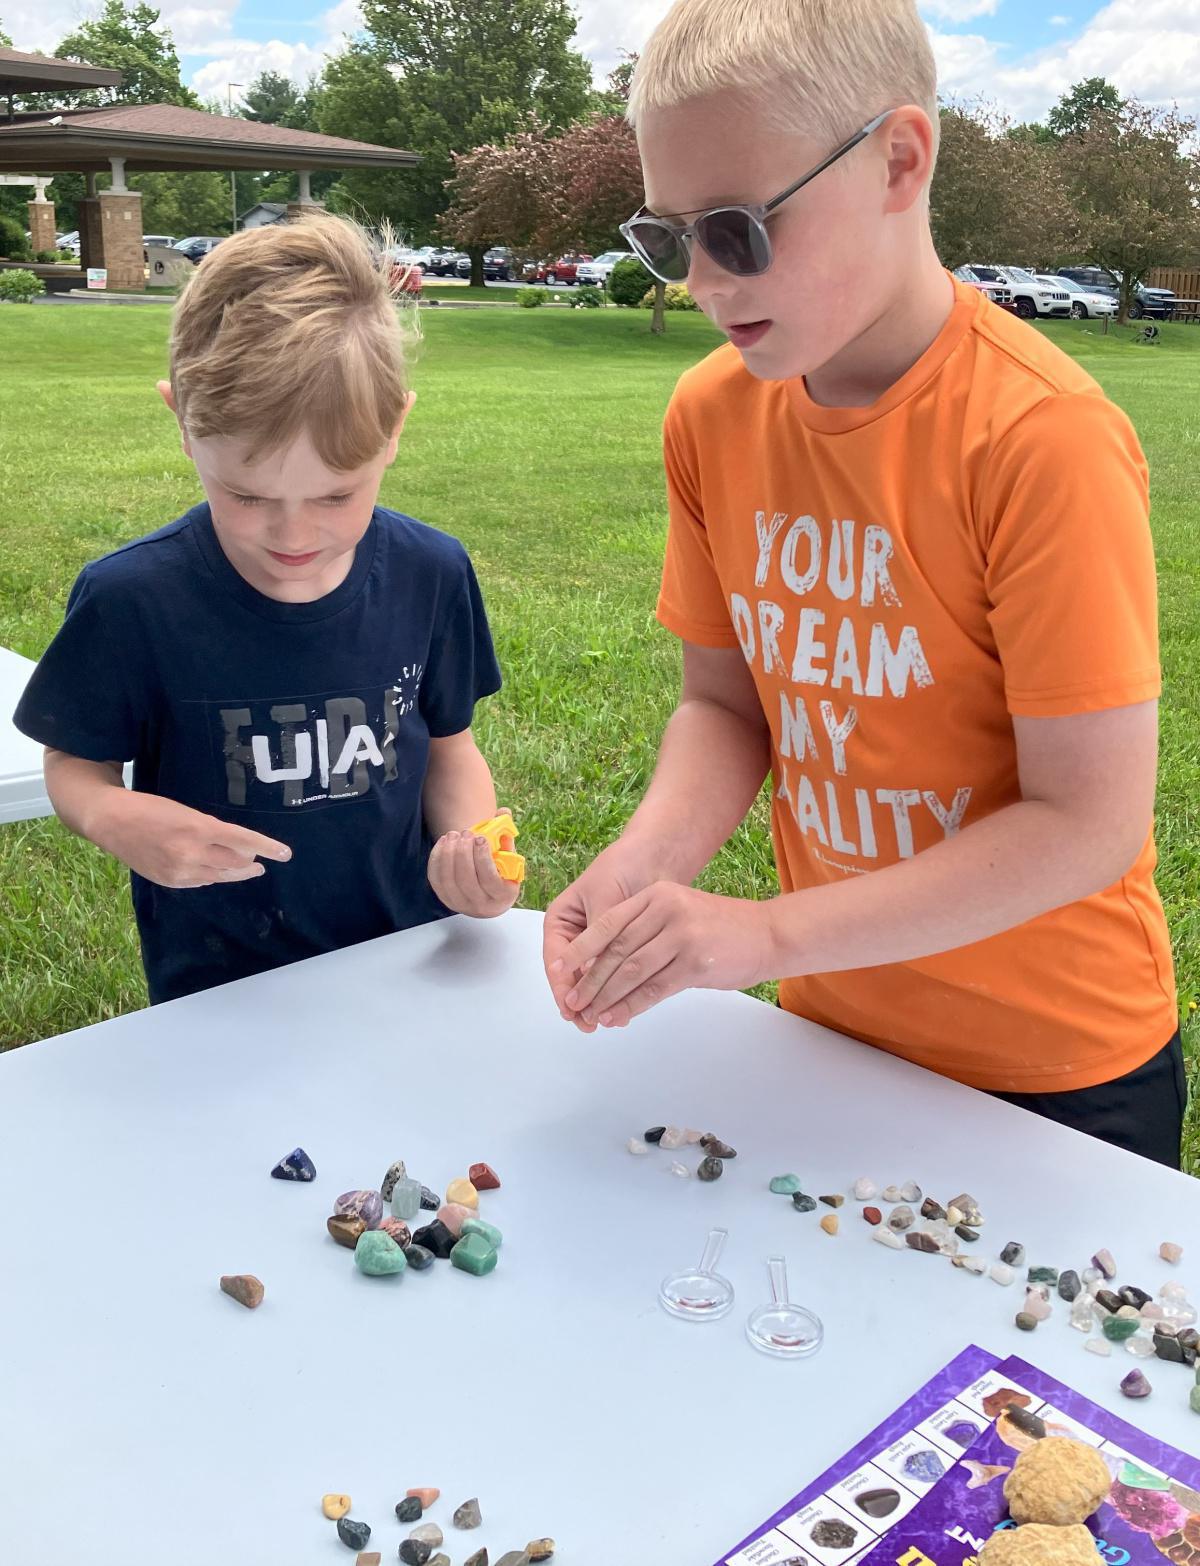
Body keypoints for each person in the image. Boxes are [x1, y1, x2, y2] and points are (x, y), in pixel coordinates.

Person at [543, 0, 1185, 1166]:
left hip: (1056, 1070)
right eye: (669, 237)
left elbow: (1087, 823)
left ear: (898, 161)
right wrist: (643, 868)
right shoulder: (712, 416)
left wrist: (769, 935)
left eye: (738, 228)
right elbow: (726, 706)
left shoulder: (1041, 438)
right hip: (834, 1035)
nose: (704, 281)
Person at [15, 211, 518, 1005]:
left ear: (395, 429)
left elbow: (451, 747)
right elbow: (75, 764)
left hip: (405, 956)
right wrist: (115, 817)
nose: (294, 534)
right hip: (222, 986)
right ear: (182, 423)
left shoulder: (432, 573)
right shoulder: (132, 601)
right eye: (247, 495)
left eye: (335, 495)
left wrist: (473, 850)